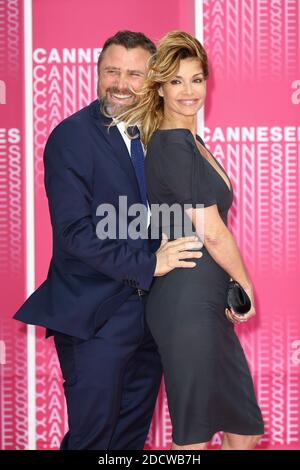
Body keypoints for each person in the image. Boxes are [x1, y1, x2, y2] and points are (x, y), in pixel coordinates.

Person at [13, 31, 203, 450]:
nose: (120, 83)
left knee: (128, 443)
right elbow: (73, 231)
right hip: (95, 317)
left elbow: (186, 222)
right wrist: (149, 265)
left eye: (134, 74)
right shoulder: (71, 138)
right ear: (98, 73)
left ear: (152, 79)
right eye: (111, 71)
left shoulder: (163, 135)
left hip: (154, 319)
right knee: (93, 441)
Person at [117, 30, 264, 450]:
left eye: (196, 79)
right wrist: (247, 286)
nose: (188, 91)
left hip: (205, 304)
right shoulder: (172, 144)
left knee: (244, 428)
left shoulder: (191, 142)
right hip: (187, 305)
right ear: (160, 86)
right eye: (176, 80)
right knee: (195, 437)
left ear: (206, 83)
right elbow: (213, 231)